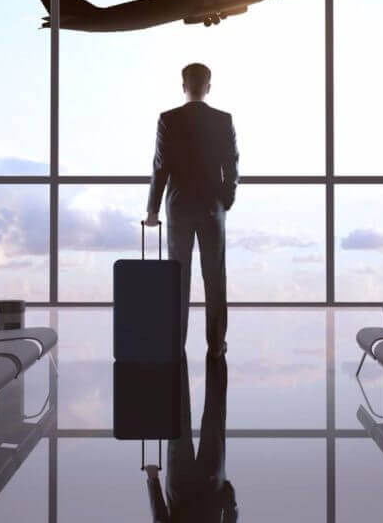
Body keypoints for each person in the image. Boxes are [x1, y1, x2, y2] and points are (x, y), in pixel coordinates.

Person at [145, 63, 239, 358]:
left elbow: (161, 168)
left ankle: (177, 342)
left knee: (178, 278)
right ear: (208, 86)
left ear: (183, 85)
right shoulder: (223, 120)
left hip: (180, 206)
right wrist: (225, 201)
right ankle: (216, 346)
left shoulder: (168, 120)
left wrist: (153, 210)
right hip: (212, 208)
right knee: (214, 278)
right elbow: (232, 166)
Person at [145, 356, 237, 522]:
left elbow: (231, 514)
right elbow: (160, 519)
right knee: (179, 414)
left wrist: (227, 492)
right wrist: (153, 480)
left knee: (214, 415)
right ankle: (177, 343)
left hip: (210, 490)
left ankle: (216, 350)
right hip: (181, 490)